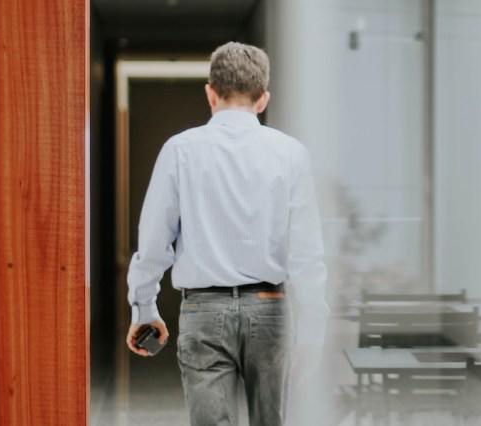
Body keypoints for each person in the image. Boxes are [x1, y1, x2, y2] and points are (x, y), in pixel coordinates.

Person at [124, 41, 329, 426]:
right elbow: (306, 253)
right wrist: (314, 331)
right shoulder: (291, 154)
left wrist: (145, 308)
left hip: (204, 312)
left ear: (210, 93)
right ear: (263, 99)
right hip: (271, 310)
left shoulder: (180, 150)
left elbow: (154, 240)